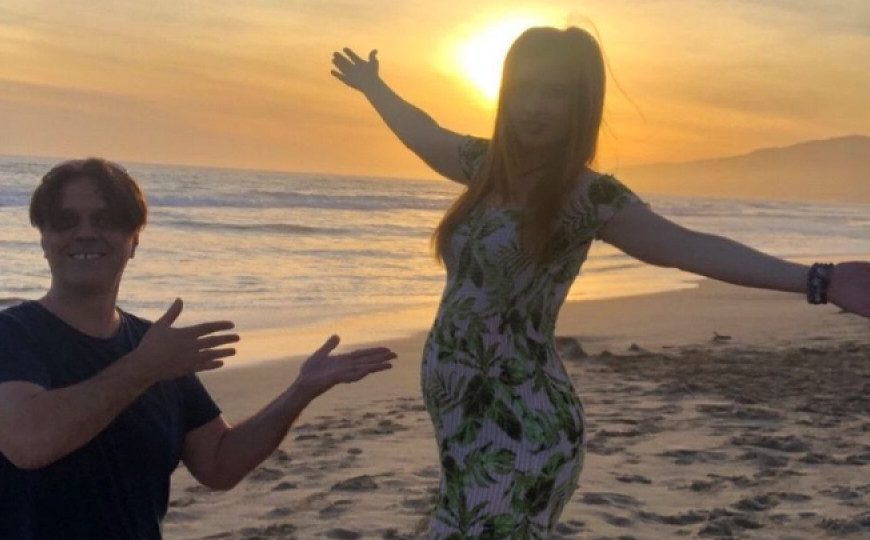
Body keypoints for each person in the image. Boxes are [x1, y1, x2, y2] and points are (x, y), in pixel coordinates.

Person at [331, 27, 870, 538]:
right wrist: (374, 86)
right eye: (523, 89)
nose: (534, 106)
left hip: (524, 426)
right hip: (462, 420)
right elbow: (421, 131)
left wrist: (817, 279)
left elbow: (684, 247)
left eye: (555, 94)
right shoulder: (484, 165)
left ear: (582, 105)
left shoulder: (587, 196)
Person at [0, 158, 397, 540]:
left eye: (106, 220)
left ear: (134, 241)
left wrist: (300, 391)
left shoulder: (155, 348)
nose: (85, 232)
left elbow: (219, 464)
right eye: (65, 221)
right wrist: (143, 368)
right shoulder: (14, 334)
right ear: (44, 240)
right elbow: (28, 441)